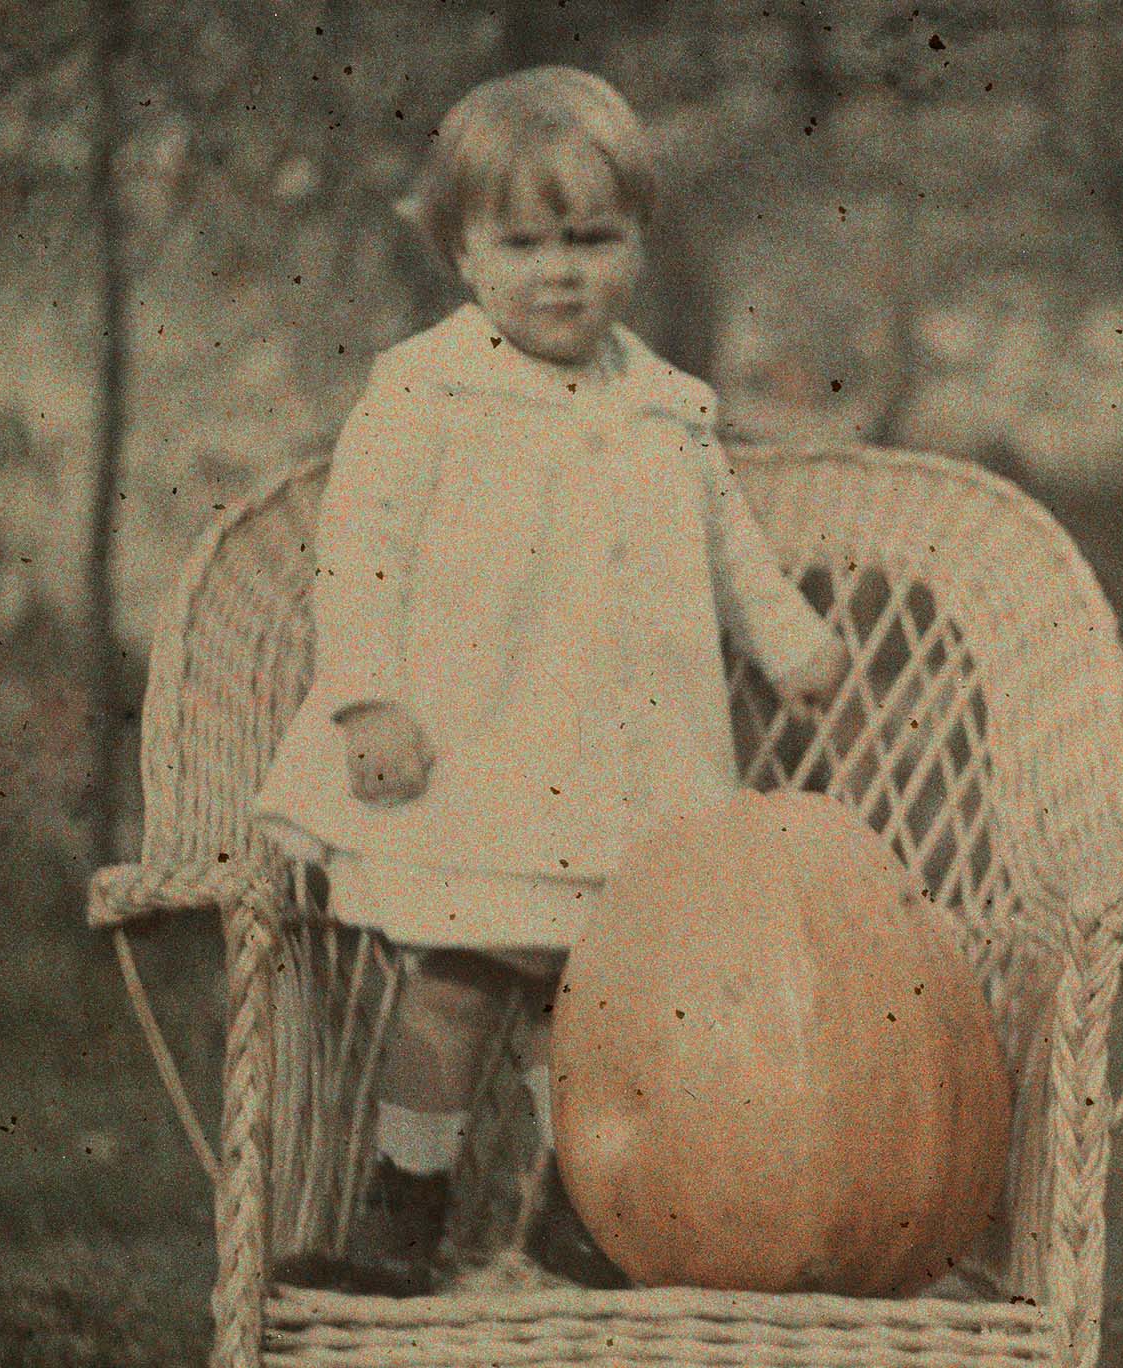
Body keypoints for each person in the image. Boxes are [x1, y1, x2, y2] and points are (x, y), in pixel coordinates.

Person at [254, 65, 849, 1296]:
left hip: (630, 768)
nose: (559, 271)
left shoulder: (666, 406)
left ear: (634, 244)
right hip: (480, 752)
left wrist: (790, 642)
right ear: (462, 254)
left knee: (601, 1008)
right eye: (521, 243)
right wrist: (367, 697)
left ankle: (583, 1221)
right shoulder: (426, 390)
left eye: (591, 237)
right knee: (460, 986)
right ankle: (400, 1215)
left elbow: (730, 549)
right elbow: (358, 549)